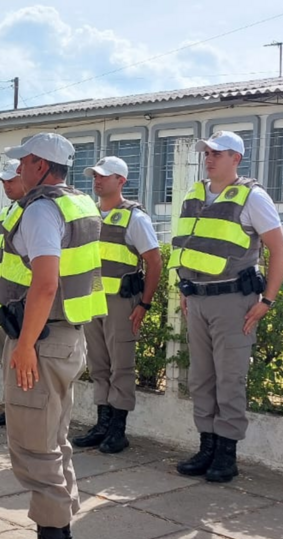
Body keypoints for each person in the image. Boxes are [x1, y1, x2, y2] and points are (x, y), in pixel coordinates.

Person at [0, 133, 107, 539]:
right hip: (65, 337)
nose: (18, 169)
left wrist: (24, 346)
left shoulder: (42, 209)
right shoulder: (78, 203)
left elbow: (44, 284)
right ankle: (56, 538)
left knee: (34, 446)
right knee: (54, 441)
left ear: (41, 165)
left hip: (40, 340)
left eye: (23, 162)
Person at [170, 131, 283, 483]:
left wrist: (267, 299)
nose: (209, 158)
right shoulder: (194, 194)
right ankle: (206, 447)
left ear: (236, 159)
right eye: (207, 152)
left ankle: (226, 454)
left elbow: (279, 249)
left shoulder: (253, 197)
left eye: (217, 153)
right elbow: (190, 246)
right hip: (197, 298)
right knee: (201, 378)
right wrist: (186, 292)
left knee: (230, 379)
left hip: (234, 301)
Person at [71, 156, 162, 454]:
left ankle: (118, 430)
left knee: (121, 366)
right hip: (94, 301)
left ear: (121, 181)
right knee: (99, 365)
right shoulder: (90, 215)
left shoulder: (135, 217)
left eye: (104, 176)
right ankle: (102, 424)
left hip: (122, 303)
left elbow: (154, 261)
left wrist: (144, 305)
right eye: (95, 175)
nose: (97, 180)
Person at [0, 159, 26, 427]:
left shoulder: (36, 211)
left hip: (24, 299)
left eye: (11, 180)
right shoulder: (8, 212)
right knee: (6, 356)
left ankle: (21, 410)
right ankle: (11, 406)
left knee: (24, 359)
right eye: (4, 182)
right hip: (4, 297)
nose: (6, 186)